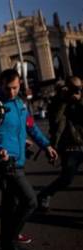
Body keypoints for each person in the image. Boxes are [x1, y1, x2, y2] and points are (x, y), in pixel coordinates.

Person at [0, 69, 58, 250]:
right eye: (7, 88)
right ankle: (9, 241)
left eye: (14, 88)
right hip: (5, 162)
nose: (11, 92)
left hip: (19, 160)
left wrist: (46, 145)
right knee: (30, 201)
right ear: (0, 85)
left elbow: (31, 126)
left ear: (20, 84)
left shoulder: (20, 104)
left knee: (10, 204)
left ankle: (5, 243)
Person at [38, 76, 83, 212]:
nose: (76, 91)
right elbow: (56, 121)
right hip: (70, 146)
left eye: (79, 88)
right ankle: (45, 195)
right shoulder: (57, 102)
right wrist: (63, 101)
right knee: (66, 179)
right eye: (73, 88)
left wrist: (80, 101)